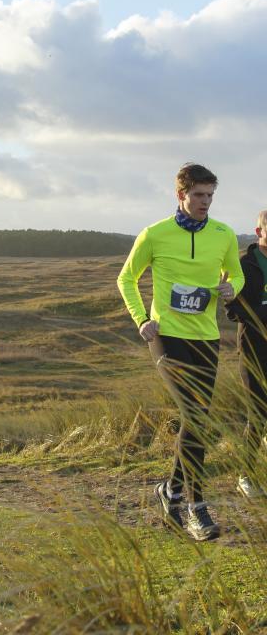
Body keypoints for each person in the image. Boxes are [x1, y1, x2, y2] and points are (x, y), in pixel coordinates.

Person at [117, 163, 244, 541]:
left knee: (198, 418)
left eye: (210, 196)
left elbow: (236, 274)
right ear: (181, 195)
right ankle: (195, 507)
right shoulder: (155, 234)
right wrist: (141, 319)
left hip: (205, 338)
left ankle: (169, 490)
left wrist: (230, 288)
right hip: (166, 337)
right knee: (195, 415)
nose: (205, 202)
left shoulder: (222, 235)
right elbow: (126, 277)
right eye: (199, 195)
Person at [225, 209, 267, 498]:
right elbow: (233, 309)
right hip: (255, 348)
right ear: (258, 231)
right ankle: (246, 476)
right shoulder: (245, 265)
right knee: (258, 413)